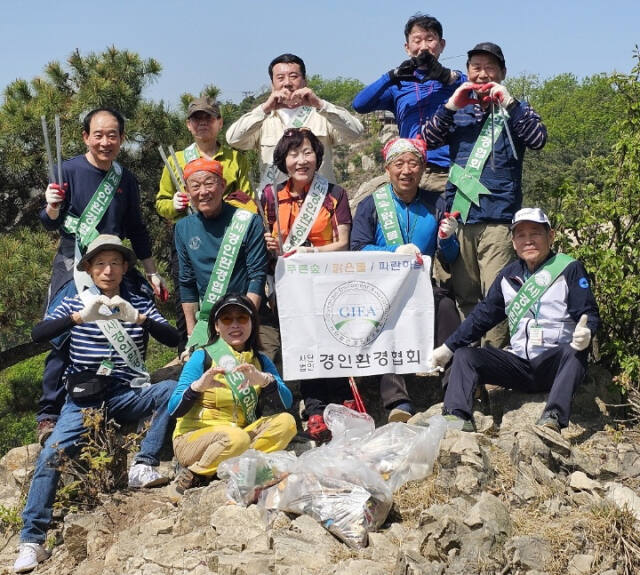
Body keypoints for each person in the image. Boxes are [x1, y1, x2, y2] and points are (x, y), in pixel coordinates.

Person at [14, 235, 179, 574]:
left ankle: (143, 464)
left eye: (115, 263)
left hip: (126, 392)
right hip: (84, 399)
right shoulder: (76, 299)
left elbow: (174, 338)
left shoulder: (137, 299)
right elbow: (38, 333)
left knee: (173, 389)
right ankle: (32, 541)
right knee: (52, 453)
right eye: (100, 263)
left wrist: (140, 319)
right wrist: (76, 319)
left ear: (125, 267)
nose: (108, 270)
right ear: (88, 268)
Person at [37, 107, 168, 445]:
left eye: (112, 135)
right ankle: (49, 413)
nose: (105, 141)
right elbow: (49, 221)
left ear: (122, 139)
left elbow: (137, 229)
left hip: (113, 259)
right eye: (98, 134)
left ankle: (131, 387)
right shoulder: (66, 170)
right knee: (63, 332)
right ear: (86, 137)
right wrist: (51, 206)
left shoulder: (125, 178)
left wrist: (152, 272)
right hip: (74, 261)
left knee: (137, 315)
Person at [430, 208, 600, 433]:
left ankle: (553, 416)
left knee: (574, 351)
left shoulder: (569, 269)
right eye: (521, 235)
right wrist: (448, 347)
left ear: (551, 236)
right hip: (518, 364)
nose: (528, 241)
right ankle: (457, 416)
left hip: (554, 363)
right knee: (465, 355)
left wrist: (587, 332)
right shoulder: (508, 276)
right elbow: (482, 317)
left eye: (535, 233)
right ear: (512, 241)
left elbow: (589, 313)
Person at [423, 43, 547, 348]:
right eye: (476, 67)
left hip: (498, 220)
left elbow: (538, 139)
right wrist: (451, 106)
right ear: (467, 72)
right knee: (465, 297)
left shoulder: (516, 109)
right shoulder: (456, 109)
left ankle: (494, 375)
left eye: (490, 68)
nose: (482, 74)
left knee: (497, 297)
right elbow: (426, 141)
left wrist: (512, 105)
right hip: (459, 218)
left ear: (502, 73)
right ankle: (470, 373)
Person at [350, 137, 460, 421]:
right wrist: (393, 251)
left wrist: (447, 238)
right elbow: (358, 247)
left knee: (447, 308)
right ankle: (398, 403)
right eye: (399, 164)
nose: (406, 170)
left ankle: (454, 390)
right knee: (386, 319)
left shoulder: (436, 203)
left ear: (423, 169)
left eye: (413, 163)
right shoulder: (372, 205)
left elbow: (448, 255)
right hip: (382, 291)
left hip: (423, 287)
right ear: (387, 169)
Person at [262, 128, 352, 442]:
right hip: (291, 288)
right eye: (293, 154)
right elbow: (269, 240)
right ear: (283, 160)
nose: (302, 160)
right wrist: (272, 245)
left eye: (308, 152)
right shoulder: (271, 196)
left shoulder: (335, 194)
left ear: (318, 156)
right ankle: (314, 408)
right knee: (305, 344)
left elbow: (343, 244)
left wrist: (309, 252)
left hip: (328, 280)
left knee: (333, 339)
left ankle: (342, 401)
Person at [168, 293, 296, 495]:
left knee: (286, 422)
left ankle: (233, 466)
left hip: (238, 436)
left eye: (242, 318)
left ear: (252, 323)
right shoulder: (203, 356)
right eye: (227, 319)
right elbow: (173, 408)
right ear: (217, 326)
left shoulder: (260, 360)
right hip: (194, 440)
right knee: (237, 439)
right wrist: (197, 387)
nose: (235, 325)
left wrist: (265, 381)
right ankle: (197, 473)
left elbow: (286, 401)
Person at [155, 96, 254, 353]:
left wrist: (228, 208)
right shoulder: (175, 160)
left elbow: (246, 199)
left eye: (208, 118)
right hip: (190, 238)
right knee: (186, 296)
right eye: (196, 119)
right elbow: (161, 203)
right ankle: (191, 352)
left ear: (219, 122)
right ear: (188, 125)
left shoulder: (235, 157)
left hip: (232, 236)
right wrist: (174, 204)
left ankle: (238, 351)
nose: (202, 124)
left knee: (235, 298)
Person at [174, 158, 277, 358]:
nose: (203, 191)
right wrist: (191, 332)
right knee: (197, 369)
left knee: (262, 362)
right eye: (195, 186)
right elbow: (186, 283)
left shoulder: (249, 221)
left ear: (222, 185)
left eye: (209, 183)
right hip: (209, 317)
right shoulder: (182, 228)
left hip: (250, 313)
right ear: (187, 192)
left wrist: (245, 322)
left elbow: (257, 276)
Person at [352, 13, 464, 193]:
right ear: (407, 47)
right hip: (408, 169)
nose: (424, 47)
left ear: (442, 45)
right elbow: (360, 104)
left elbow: (476, 89)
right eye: (417, 40)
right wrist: (390, 76)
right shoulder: (399, 84)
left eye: (430, 39)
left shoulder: (454, 80)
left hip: (446, 170)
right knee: (361, 205)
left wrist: (448, 76)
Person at [226, 53, 363, 185]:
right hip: (276, 204)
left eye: (293, 76)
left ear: (305, 81)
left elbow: (356, 133)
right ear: (272, 85)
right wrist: (265, 109)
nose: (287, 83)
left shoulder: (322, 115)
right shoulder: (262, 119)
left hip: (318, 202)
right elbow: (233, 139)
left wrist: (321, 105)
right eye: (280, 78)